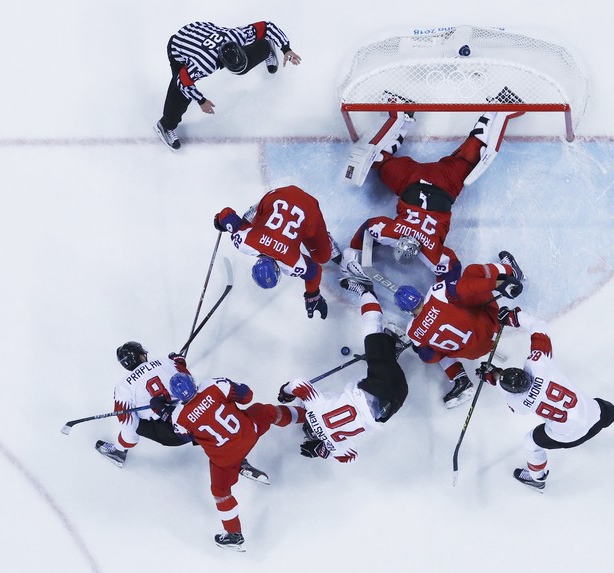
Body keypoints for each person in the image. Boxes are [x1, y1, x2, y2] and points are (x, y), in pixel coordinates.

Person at [339, 87, 525, 278]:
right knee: (378, 160)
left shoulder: (431, 252)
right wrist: (355, 252)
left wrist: (356, 253)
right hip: (410, 179)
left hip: (444, 184)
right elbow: (370, 227)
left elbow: (452, 268)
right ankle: (401, 114)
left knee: (469, 157)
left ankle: (498, 108)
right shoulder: (392, 233)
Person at [477, 327, 614, 493]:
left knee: (531, 442)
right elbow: (539, 331)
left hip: (567, 437)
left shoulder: (517, 402)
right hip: (595, 416)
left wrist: (492, 376)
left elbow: (509, 394)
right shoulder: (540, 366)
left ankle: (537, 479)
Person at [276, 271, 409, 463]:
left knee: (382, 365)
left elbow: (350, 458)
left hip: (396, 400)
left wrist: (325, 449)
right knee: (371, 330)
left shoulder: (336, 447)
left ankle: (391, 347)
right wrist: (286, 392)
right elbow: (299, 384)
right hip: (379, 384)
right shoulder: (315, 409)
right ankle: (366, 290)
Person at [167, 371, 306, 551]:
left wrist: (165, 412)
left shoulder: (178, 417)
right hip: (248, 432)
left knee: (220, 492)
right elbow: (247, 395)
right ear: (193, 382)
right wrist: (231, 390)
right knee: (267, 412)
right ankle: (307, 415)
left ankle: (234, 534)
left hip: (224, 458)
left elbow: (186, 438)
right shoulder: (213, 386)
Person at [94, 341, 269, 484]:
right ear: (141, 355)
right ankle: (240, 462)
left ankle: (118, 453)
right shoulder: (166, 362)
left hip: (171, 433)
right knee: (204, 420)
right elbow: (188, 381)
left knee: (136, 424)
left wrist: (123, 445)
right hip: (194, 419)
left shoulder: (122, 388)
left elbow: (129, 428)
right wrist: (178, 361)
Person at [392, 251, 525, 408]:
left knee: (431, 350)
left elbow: (429, 358)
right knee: (471, 273)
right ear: (419, 294)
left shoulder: (413, 332)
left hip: (475, 353)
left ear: (406, 311)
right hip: (492, 324)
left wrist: (419, 348)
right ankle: (511, 271)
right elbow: (467, 287)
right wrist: (498, 284)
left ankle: (459, 376)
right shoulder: (436, 292)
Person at [154, 20, 302, 150]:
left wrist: (286, 48)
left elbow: (267, 27)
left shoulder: (236, 35)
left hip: (203, 29)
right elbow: (183, 82)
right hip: (179, 46)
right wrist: (201, 100)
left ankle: (265, 47)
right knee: (180, 92)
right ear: (222, 63)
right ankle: (166, 125)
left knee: (244, 66)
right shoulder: (204, 64)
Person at [213, 185, 341, 320]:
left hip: (308, 206)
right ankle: (257, 211)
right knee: (247, 222)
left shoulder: (292, 263)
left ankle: (326, 240)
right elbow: (227, 214)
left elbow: (315, 272)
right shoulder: (244, 242)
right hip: (278, 196)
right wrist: (219, 221)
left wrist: (312, 296)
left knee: (322, 256)